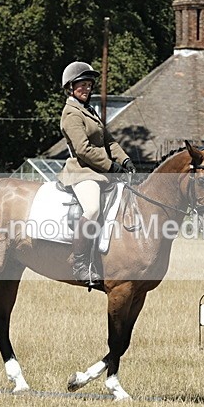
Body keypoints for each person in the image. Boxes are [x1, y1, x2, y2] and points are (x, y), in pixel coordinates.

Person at [57, 61, 136, 284]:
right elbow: (83, 150)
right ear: (70, 87)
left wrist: (125, 160)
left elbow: (109, 142)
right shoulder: (71, 113)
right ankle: (80, 264)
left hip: (99, 171)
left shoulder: (89, 111)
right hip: (82, 171)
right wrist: (111, 166)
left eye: (89, 84)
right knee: (92, 209)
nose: (87, 88)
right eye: (82, 84)